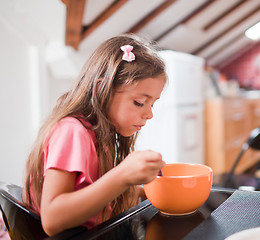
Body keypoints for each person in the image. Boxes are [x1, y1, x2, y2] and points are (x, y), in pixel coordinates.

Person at [22, 34, 167, 236]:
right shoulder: (73, 131)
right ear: (102, 89)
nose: (149, 114)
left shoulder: (100, 134)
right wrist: (123, 175)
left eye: (153, 103)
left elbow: (91, 190)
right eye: (139, 102)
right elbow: (52, 219)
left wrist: (147, 191)